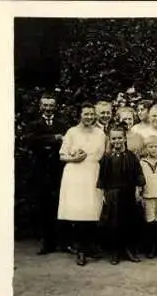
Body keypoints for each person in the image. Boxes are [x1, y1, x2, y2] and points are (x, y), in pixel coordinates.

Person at [57, 102, 106, 266]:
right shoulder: (71, 132)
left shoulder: (100, 133)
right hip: (75, 174)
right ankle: (81, 250)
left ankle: (90, 246)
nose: (89, 117)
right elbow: (62, 156)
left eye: (92, 114)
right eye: (86, 114)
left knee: (92, 210)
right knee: (78, 212)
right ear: (80, 114)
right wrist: (73, 158)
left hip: (93, 172)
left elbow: (103, 155)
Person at [25, 93, 67, 255]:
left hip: (58, 170)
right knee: (44, 207)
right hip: (41, 170)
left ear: (55, 106)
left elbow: (67, 142)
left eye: (51, 105)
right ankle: (47, 243)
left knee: (60, 205)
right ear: (40, 106)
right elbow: (30, 141)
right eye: (45, 105)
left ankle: (62, 242)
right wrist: (53, 138)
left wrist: (48, 140)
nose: (48, 108)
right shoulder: (34, 124)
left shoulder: (61, 124)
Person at [97, 125, 145, 265]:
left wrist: (137, 190)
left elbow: (138, 175)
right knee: (114, 223)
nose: (117, 141)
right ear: (110, 140)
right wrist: (104, 193)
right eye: (114, 138)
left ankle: (129, 250)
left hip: (128, 193)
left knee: (129, 222)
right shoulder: (106, 157)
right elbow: (103, 177)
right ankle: (115, 252)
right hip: (113, 194)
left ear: (124, 138)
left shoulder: (131, 156)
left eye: (119, 138)